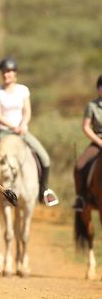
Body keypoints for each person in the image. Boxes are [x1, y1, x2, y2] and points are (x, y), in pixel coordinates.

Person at [0, 57, 58, 207]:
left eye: (9, 71)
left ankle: (44, 191)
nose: (6, 74)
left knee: (45, 158)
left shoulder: (23, 90)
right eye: (4, 71)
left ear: (15, 73)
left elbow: (27, 111)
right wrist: (12, 126)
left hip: (22, 131)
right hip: (4, 133)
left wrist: (22, 125)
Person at [73, 74, 102, 212]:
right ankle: (81, 198)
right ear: (98, 88)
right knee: (79, 166)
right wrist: (99, 142)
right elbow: (86, 127)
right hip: (98, 141)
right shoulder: (92, 106)